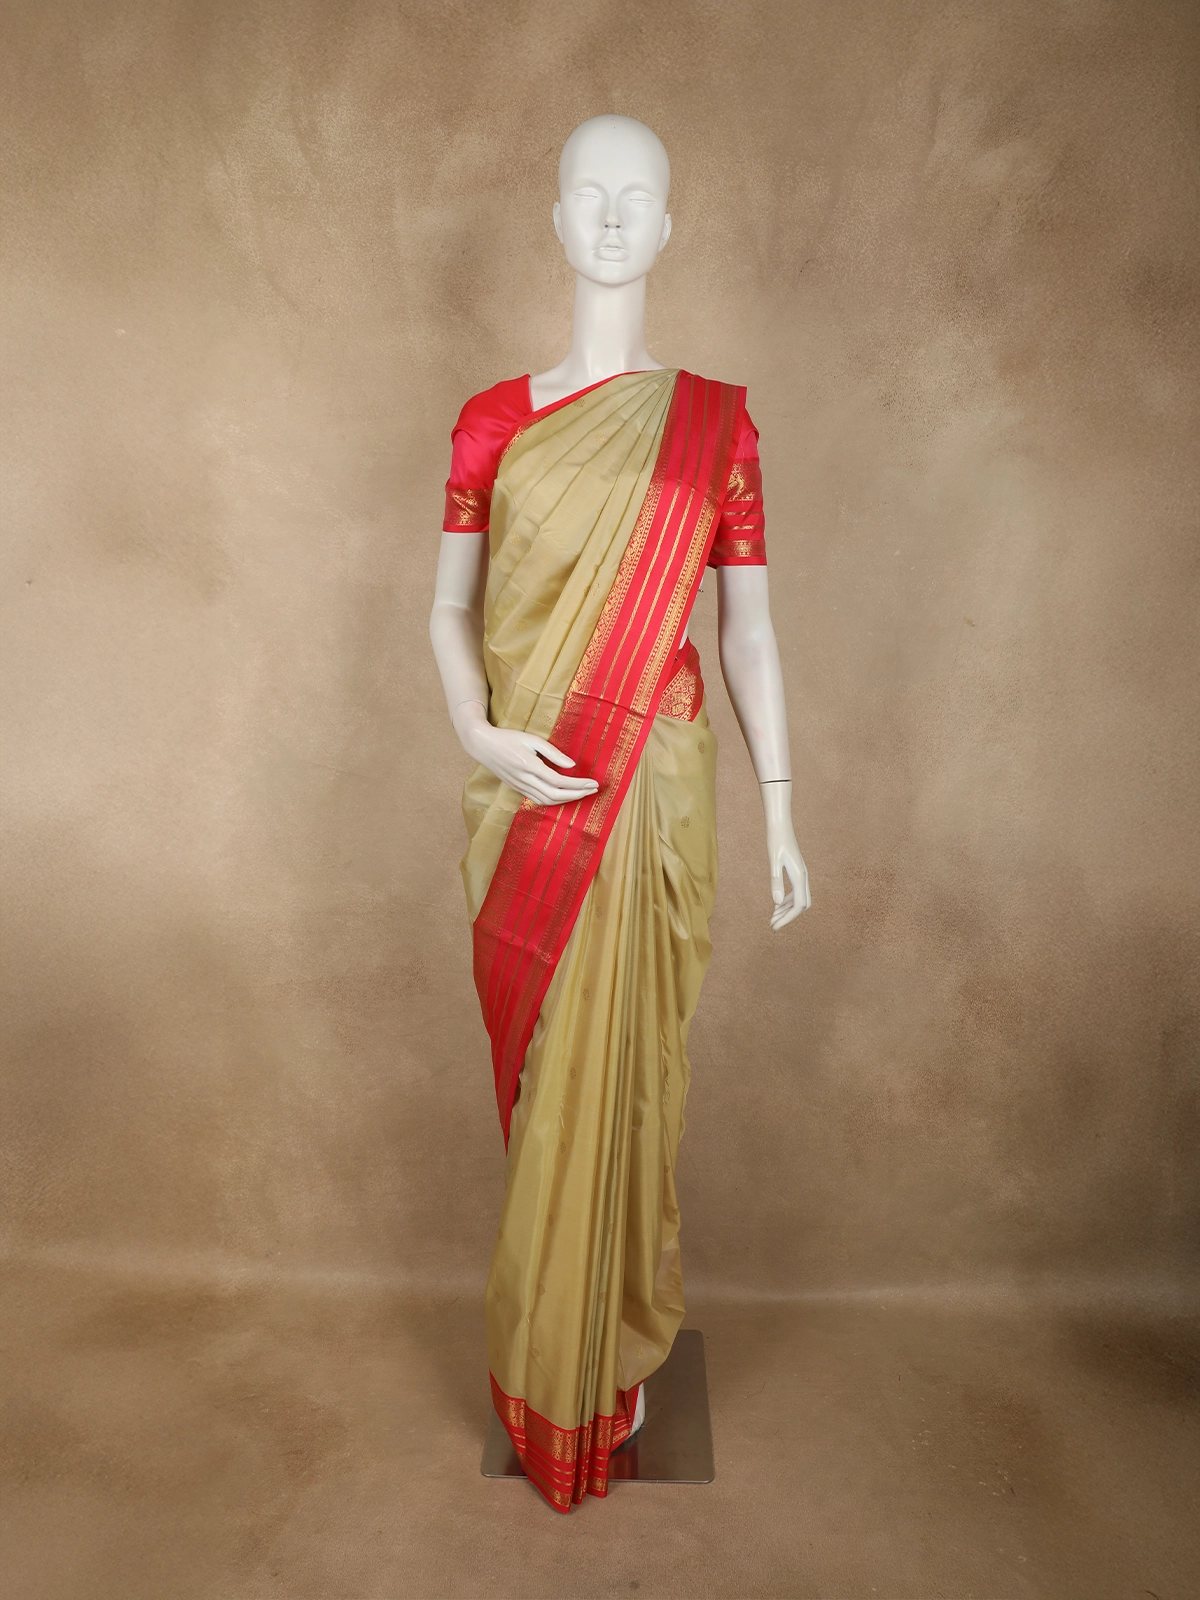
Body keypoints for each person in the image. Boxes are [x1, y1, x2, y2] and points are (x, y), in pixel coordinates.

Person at [429, 114, 809, 1513]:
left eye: (635, 196)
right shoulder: (494, 419)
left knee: (636, 1066)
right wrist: (476, 729)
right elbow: (448, 609)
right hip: (534, 788)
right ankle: (550, 1359)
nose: (608, 217)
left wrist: (781, 806)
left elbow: (748, 631)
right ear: (553, 217)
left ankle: (614, 1343)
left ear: (668, 226)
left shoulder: (716, 424)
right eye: (586, 193)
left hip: (654, 789)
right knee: (556, 1078)